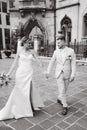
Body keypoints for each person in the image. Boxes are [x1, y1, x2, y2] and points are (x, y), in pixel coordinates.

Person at [0, 36, 44, 120]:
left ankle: (30, 106)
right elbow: (14, 63)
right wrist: (8, 74)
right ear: (23, 43)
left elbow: (38, 61)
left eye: (30, 43)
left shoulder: (32, 51)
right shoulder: (19, 51)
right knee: (20, 91)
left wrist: (42, 66)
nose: (29, 44)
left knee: (29, 90)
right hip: (20, 74)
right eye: (27, 43)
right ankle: (20, 107)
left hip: (29, 73)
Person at [45, 33, 76, 115]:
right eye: (57, 42)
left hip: (67, 73)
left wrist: (73, 74)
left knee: (64, 90)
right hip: (59, 73)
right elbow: (51, 62)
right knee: (62, 89)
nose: (57, 44)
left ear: (64, 42)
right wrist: (48, 71)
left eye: (59, 42)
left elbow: (73, 63)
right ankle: (65, 106)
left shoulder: (71, 51)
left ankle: (60, 98)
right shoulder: (55, 52)